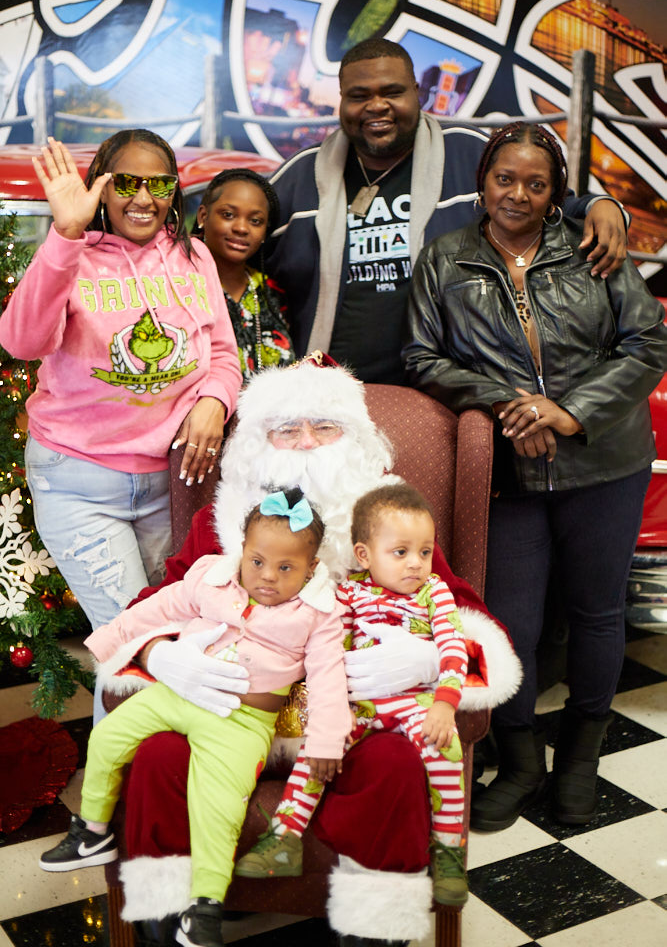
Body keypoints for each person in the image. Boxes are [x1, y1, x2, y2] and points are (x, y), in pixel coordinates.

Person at [95, 358, 522, 947]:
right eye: (286, 429)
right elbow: (151, 606)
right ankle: (172, 913)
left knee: (396, 765)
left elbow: (467, 614)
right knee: (158, 755)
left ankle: (374, 926)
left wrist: (428, 661)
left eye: (325, 427)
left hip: (356, 722)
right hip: (225, 716)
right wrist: (160, 655)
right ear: (256, 442)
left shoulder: (391, 526)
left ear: (357, 440)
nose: (306, 443)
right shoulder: (221, 521)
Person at [403, 122, 667, 833]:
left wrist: (570, 412)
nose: (517, 194)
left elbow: (648, 342)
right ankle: (520, 763)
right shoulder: (444, 258)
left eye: (535, 183)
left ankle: (580, 756)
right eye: (504, 179)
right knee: (509, 621)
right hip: (510, 470)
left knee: (596, 613)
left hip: (604, 460)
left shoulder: (592, 247)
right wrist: (510, 404)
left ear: (556, 194)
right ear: (482, 182)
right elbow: (422, 357)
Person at [40, 488, 350, 947]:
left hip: (242, 721)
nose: (268, 576)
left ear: (311, 568)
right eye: (258, 561)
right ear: (242, 551)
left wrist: (325, 742)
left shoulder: (319, 614)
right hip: (179, 695)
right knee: (107, 737)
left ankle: (205, 906)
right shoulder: (212, 578)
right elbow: (159, 607)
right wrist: (111, 641)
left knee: (219, 806)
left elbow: (329, 680)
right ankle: (92, 830)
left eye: (286, 568)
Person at [266, 38, 629, 384]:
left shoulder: (468, 153)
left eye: (392, 92)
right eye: (359, 96)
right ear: (342, 100)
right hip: (329, 394)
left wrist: (601, 206)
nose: (376, 106)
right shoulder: (301, 175)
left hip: (448, 388)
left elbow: (551, 205)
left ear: (417, 93)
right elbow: (238, 235)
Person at [0, 132, 241, 632]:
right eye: (128, 183)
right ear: (103, 187)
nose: (144, 198)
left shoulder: (195, 257)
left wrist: (214, 401)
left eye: (160, 185)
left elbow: (222, 353)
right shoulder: (71, 256)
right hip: (79, 481)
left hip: (169, 485)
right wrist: (66, 235)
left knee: (173, 634)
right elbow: (21, 342)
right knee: (139, 637)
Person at [236, 483, 470, 909]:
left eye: (424, 552)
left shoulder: (434, 591)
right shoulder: (348, 594)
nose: (416, 563)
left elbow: (453, 645)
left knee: (445, 747)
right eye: (401, 552)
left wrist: (444, 701)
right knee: (319, 751)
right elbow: (328, 649)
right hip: (357, 704)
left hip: (415, 702)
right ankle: (284, 838)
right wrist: (335, 705)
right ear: (364, 555)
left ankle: (448, 850)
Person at [194, 168, 295, 380]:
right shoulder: (179, 286)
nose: (241, 228)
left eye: (255, 221)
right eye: (228, 215)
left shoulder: (272, 292)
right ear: (203, 216)